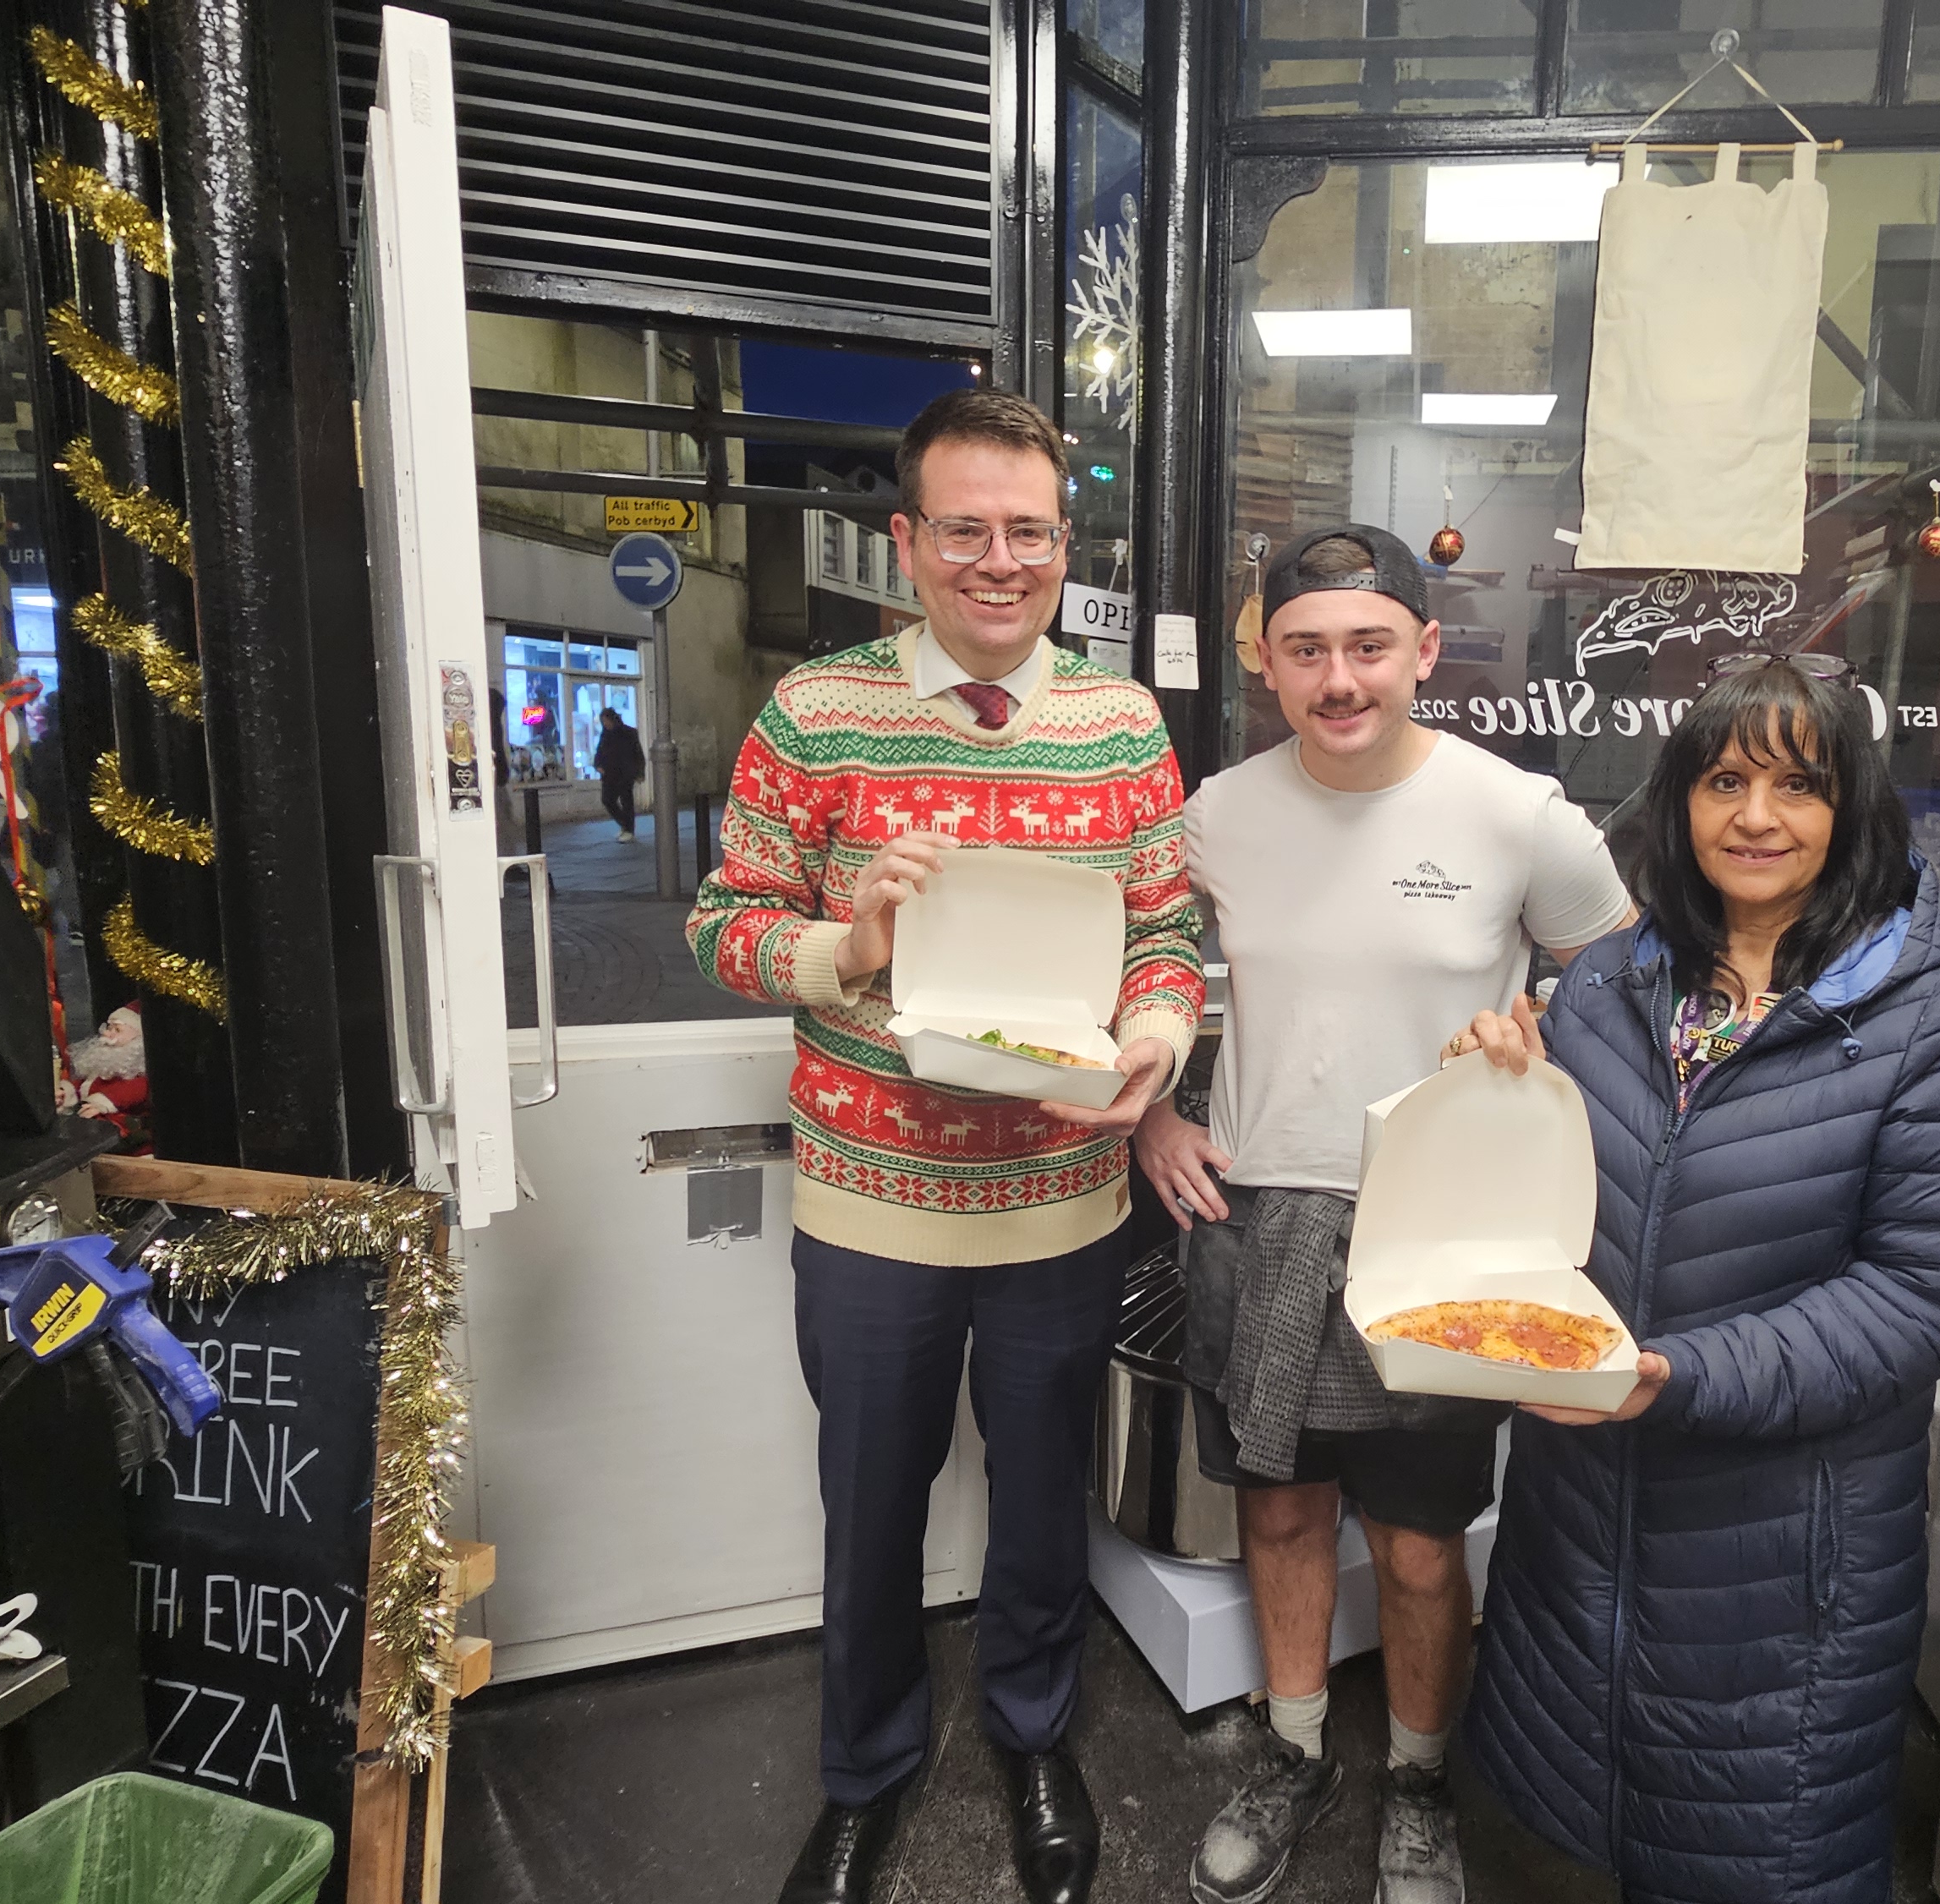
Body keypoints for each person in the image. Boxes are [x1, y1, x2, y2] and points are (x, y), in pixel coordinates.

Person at [685, 388, 1202, 1904]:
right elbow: (721, 924)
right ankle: (865, 1773)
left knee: (1043, 1496)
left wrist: (1158, 1042)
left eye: (1027, 531)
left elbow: (1164, 928)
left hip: (1061, 1199)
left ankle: (1036, 1740)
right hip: (872, 1204)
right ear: (906, 541)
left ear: (1061, 543)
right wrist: (849, 941)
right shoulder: (816, 712)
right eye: (964, 530)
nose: (998, 561)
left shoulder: (1118, 724)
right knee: (872, 1500)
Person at [1450, 654, 1940, 1904]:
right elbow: (1564, 1199)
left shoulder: (1933, 1018)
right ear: (1679, 800)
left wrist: (1679, 1377)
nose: (1755, 817)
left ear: (1851, 808)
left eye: (1797, 786)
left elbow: (1932, 1290)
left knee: (1757, 1853)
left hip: (1783, 1553)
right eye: (1724, 780)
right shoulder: (1610, 978)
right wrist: (1497, 1086)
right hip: (1581, 1522)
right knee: (1577, 1840)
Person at [1134, 525, 1632, 1904]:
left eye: (1367, 646)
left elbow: (1620, 990)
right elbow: (1140, 973)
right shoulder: (1215, 812)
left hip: (1437, 1227)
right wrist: (1157, 1113)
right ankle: (1294, 1750)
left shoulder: (1515, 813)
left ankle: (1419, 1782)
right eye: (1307, 650)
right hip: (1255, 1214)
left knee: (1418, 1543)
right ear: (1267, 661)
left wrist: (1540, 1021)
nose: (1338, 677)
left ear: (1423, 650)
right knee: (1282, 1515)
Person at [592, 703, 644, 837]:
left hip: (625, 773)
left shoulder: (629, 733)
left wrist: (639, 772)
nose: (605, 724)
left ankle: (629, 830)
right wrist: (598, 764)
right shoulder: (605, 735)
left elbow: (638, 753)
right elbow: (600, 751)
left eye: (607, 721)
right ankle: (624, 823)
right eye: (603, 722)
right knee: (607, 800)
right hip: (609, 773)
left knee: (626, 801)